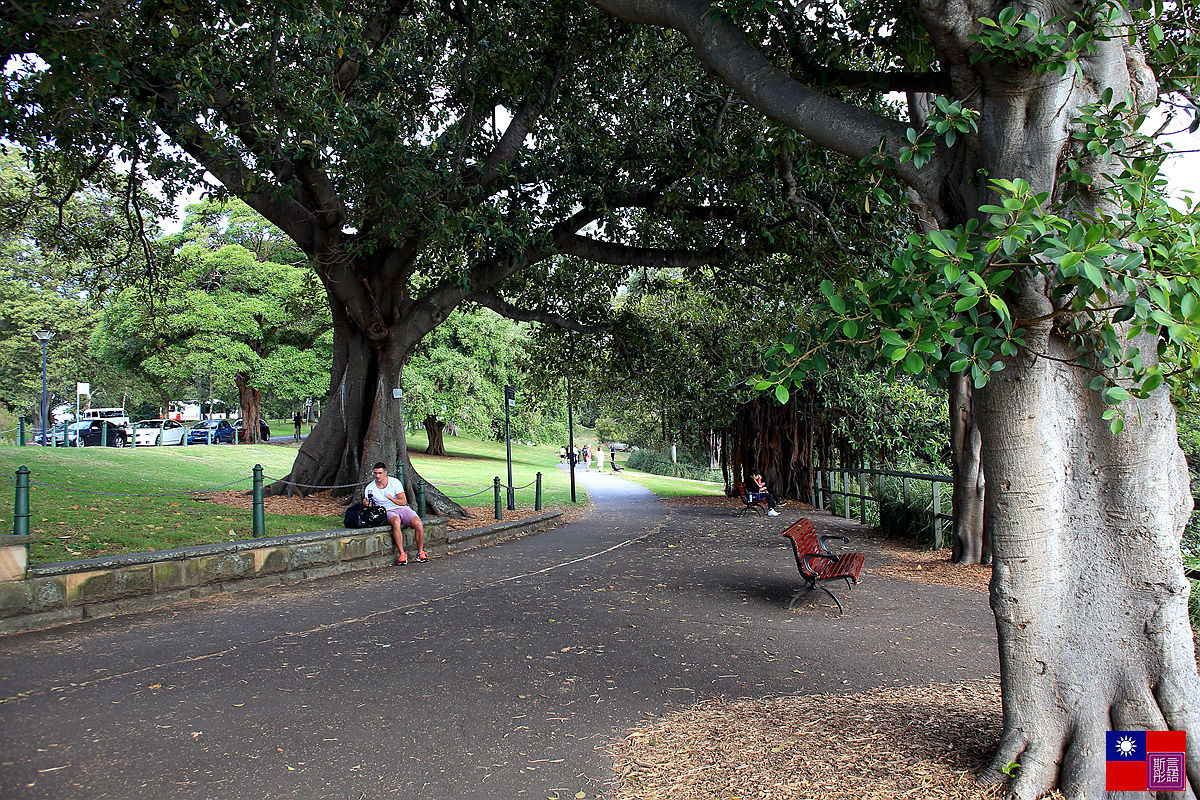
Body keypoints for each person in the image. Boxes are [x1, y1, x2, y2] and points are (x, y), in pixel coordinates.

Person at [365, 462, 427, 564]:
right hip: (386, 510)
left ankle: (420, 552)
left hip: (401, 508)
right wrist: (367, 504)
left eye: (380, 473)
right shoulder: (370, 488)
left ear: (385, 473)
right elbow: (371, 506)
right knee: (396, 521)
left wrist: (392, 499)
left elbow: (403, 502)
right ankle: (402, 554)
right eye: (375, 473)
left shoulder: (394, 483)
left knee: (418, 523)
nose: (377, 476)